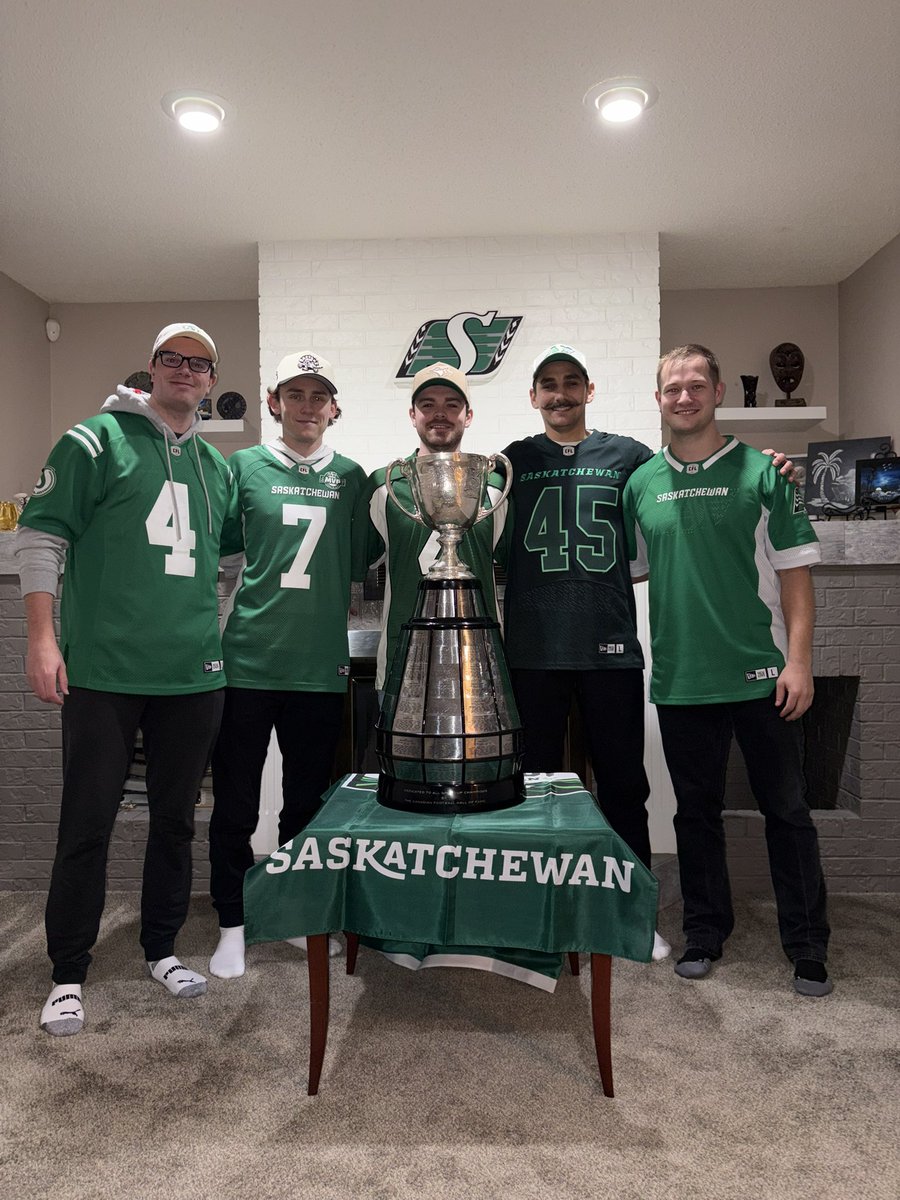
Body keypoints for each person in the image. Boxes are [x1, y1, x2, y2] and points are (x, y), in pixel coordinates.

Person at [16, 322, 242, 1035]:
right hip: (106, 673)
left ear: (210, 381)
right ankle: (67, 972)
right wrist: (43, 639)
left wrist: (210, 629)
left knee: (176, 823)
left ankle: (161, 947)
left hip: (192, 677)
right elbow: (41, 535)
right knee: (87, 823)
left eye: (199, 364)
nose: (185, 371)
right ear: (152, 369)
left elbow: (229, 565)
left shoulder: (217, 466)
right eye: (172, 359)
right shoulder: (95, 440)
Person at [623, 344, 832, 996]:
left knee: (789, 812)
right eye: (671, 389)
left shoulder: (763, 473)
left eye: (694, 385)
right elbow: (631, 571)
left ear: (716, 390)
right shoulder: (640, 485)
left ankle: (807, 946)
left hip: (761, 674)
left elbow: (796, 576)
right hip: (683, 679)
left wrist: (799, 663)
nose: (683, 397)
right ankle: (705, 934)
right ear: (658, 400)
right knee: (695, 815)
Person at [498, 344, 671, 960]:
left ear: (589, 390)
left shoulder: (629, 456)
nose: (560, 393)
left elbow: (671, 508)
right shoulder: (512, 461)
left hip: (609, 648)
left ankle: (631, 910)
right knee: (535, 787)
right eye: (548, 384)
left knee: (624, 785)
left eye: (571, 383)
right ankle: (540, 908)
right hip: (533, 650)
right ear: (533, 396)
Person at [208, 352, 366, 979]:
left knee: (306, 804)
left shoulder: (352, 477)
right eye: (294, 394)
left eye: (318, 395)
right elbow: (218, 554)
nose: (306, 405)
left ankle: (298, 911)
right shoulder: (242, 465)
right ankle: (233, 921)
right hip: (248, 661)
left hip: (319, 669)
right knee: (236, 804)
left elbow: (360, 566)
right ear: (274, 402)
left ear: (334, 407)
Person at [352, 362, 506, 691]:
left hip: (479, 665)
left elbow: (517, 570)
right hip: (402, 663)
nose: (440, 414)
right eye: (428, 405)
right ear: (412, 415)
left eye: (452, 405)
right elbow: (356, 565)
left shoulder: (493, 485)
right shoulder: (384, 484)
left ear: (469, 415)